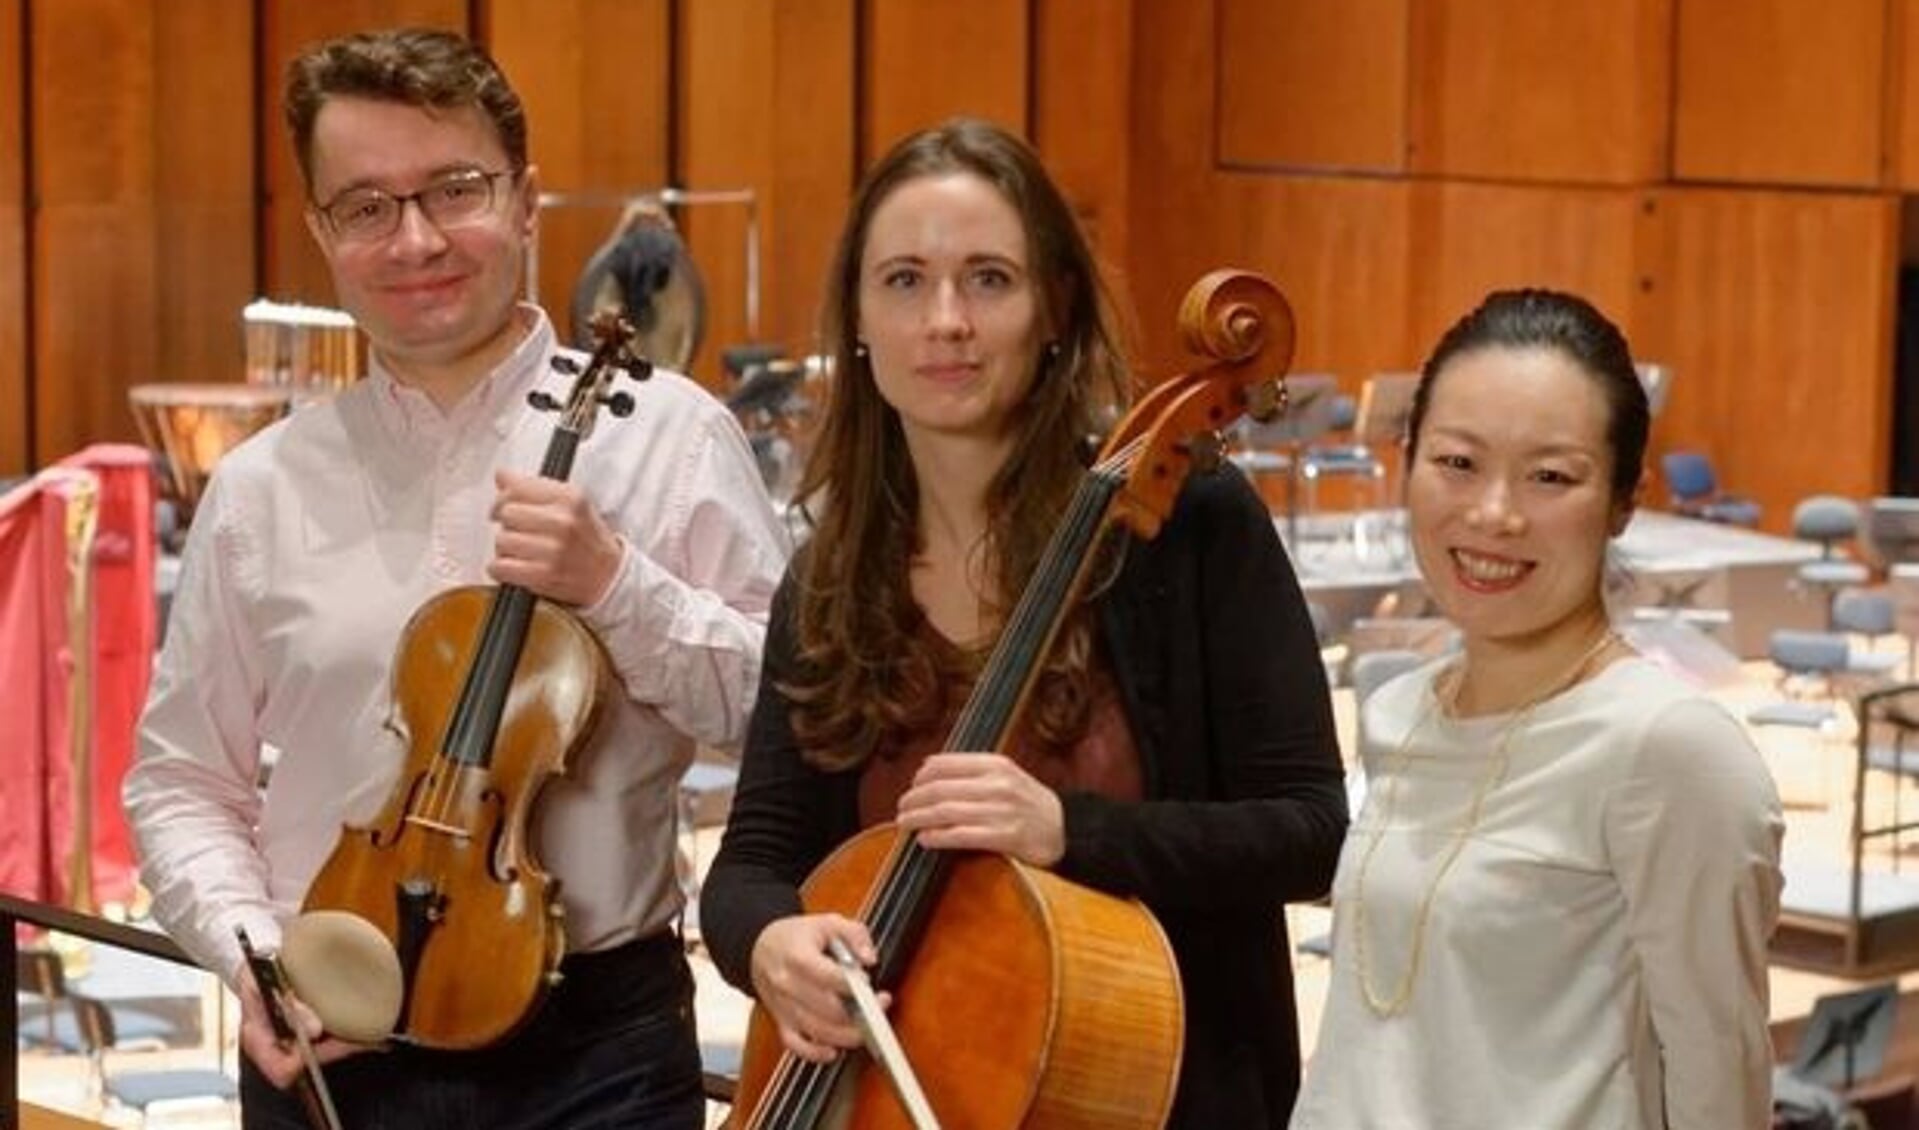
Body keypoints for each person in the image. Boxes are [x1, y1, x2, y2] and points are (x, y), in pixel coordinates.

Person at [122, 27, 788, 1129]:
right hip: (334, 1037)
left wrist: (618, 586)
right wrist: (258, 951)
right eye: (367, 206)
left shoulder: (671, 436)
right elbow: (181, 778)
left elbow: (778, 726)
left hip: (599, 1053)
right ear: (320, 232)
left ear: (526, 201)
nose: (415, 238)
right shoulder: (258, 489)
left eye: (454, 190)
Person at [698, 117, 1349, 1128]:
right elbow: (749, 863)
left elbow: (1311, 831)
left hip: (1153, 1099)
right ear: (858, 320)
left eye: (988, 279)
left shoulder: (1187, 530)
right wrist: (769, 942)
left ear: (1054, 309)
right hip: (892, 1093)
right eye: (904, 280)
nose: (944, 319)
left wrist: (1069, 830)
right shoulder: (834, 571)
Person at [1290, 290, 1784, 1128]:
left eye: (1550, 476)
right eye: (1456, 462)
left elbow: (1717, 1082)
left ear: (1624, 500)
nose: (1492, 513)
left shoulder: (1668, 750)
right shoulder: (1401, 713)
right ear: (1406, 459)